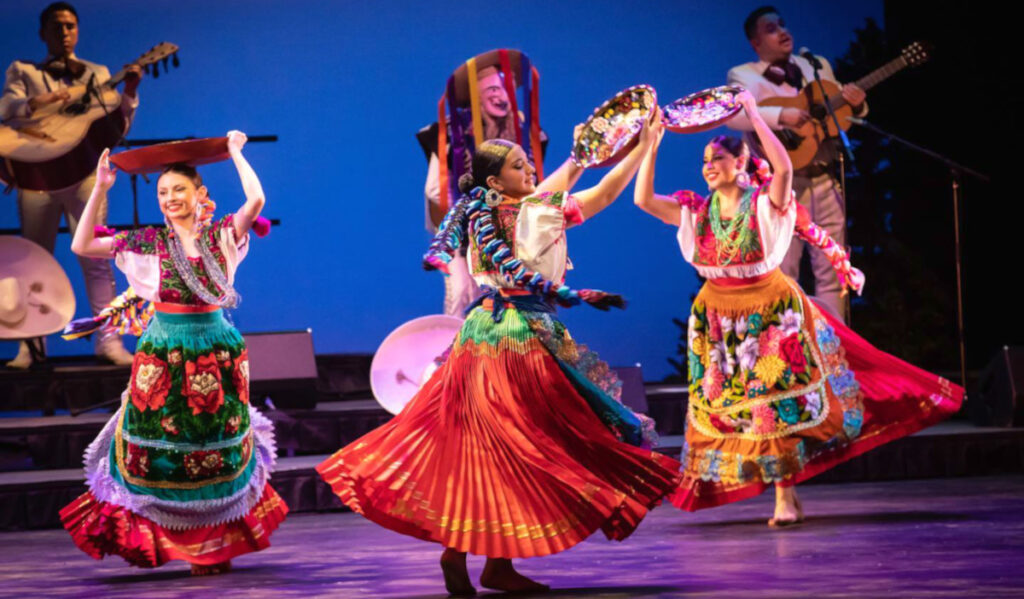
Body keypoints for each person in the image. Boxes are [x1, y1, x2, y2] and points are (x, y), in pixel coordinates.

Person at [319, 116, 680, 595]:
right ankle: (488, 561)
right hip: (519, 336)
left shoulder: (486, 212)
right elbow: (605, 194)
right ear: (496, 181)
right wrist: (643, 148)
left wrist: (604, 151)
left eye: (529, 162)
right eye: (518, 165)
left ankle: (483, 561)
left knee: (490, 447)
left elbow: (572, 185)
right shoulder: (532, 213)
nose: (529, 169)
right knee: (525, 444)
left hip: (480, 331)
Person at [633, 91, 963, 525]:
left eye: (717, 158)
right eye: (704, 161)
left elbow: (786, 167)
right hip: (718, 318)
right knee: (727, 408)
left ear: (742, 163)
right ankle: (735, 483)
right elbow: (642, 200)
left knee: (773, 403)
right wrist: (650, 147)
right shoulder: (696, 210)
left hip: (771, 310)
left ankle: (785, 498)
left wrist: (753, 114)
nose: (708, 166)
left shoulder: (767, 203)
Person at [58, 132, 287, 574]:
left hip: (215, 348)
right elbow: (81, 245)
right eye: (162, 192)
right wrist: (101, 188)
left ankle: (216, 543)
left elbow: (256, 200)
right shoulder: (147, 242)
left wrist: (236, 154)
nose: (169, 198)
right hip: (165, 349)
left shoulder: (222, 235)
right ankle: (175, 545)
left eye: (178, 189)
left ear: (200, 193)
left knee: (213, 448)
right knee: (169, 450)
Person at [1, 2, 142, 367]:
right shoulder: (23, 70)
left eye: (70, 26)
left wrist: (129, 93)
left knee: (96, 256)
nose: (64, 33)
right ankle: (30, 347)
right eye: (56, 27)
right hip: (39, 179)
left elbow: (116, 128)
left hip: (84, 179)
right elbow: (7, 108)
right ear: (43, 33)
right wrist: (40, 101)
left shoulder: (97, 74)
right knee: (36, 259)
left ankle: (109, 341)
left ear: (77, 31)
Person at [726, 5, 867, 321]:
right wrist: (780, 116)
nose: (782, 31)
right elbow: (734, 115)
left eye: (782, 24)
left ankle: (835, 347)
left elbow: (840, 118)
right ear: (756, 43)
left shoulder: (814, 66)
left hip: (825, 178)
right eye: (771, 29)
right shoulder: (743, 75)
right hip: (780, 189)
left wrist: (858, 104)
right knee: (783, 268)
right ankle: (787, 346)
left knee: (835, 267)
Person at [417, 49, 582, 316]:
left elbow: (535, 184)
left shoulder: (526, 135)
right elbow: (435, 191)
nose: (499, 95)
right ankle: (457, 350)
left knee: (516, 291)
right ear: (477, 100)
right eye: (490, 90)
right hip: (469, 229)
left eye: (503, 89)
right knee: (462, 293)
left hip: (514, 230)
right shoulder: (454, 136)